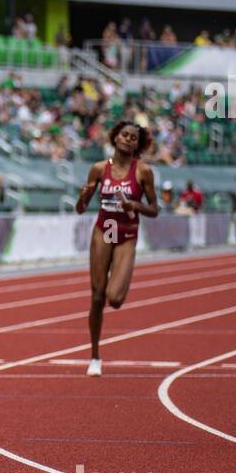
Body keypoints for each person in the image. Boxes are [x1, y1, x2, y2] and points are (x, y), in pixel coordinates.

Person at [73, 121, 159, 377]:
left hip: (127, 234)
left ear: (138, 144)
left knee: (115, 299)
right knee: (97, 297)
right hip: (104, 230)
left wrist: (135, 205)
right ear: (115, 138)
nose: (128, 139)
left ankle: (119, 279)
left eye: (134, 137)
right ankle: (95, 356)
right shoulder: (99, 169)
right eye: (124, 135)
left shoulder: (143, 172)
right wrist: (83, 196)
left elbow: (155, 209)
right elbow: (80, 209)